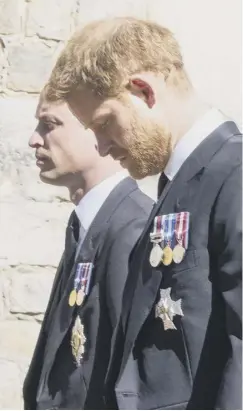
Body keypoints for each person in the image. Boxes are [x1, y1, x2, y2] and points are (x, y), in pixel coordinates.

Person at [46, 17, 242, 410]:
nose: (101, 147)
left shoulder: (233, 174)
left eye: (104, 124)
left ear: (143, 90)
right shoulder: (181, 186)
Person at [23, 85, 153, 410]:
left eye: (49, 125)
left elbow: (135, 382)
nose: (34, 139)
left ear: (98, 127)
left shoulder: (132, 229)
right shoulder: (85, 223)